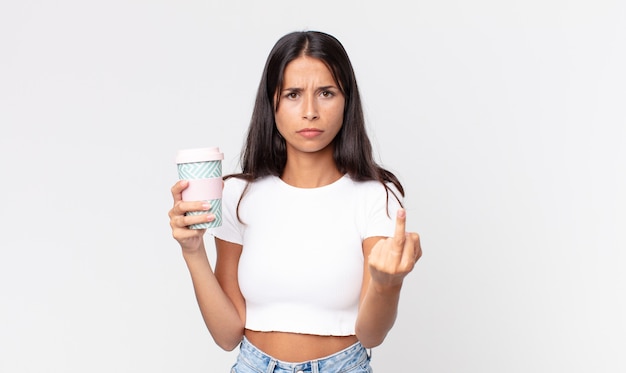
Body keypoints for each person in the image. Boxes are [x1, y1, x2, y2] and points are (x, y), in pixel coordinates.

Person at [168, 30, 422, 372]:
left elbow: (371, 334)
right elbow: (227, 335)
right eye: (292, 94)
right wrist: (192, 251)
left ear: (347, 101)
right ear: (271, 103)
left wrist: (387, 284)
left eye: (326, 93)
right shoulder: (236, 196)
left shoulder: (375, 197)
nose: (310, 111)